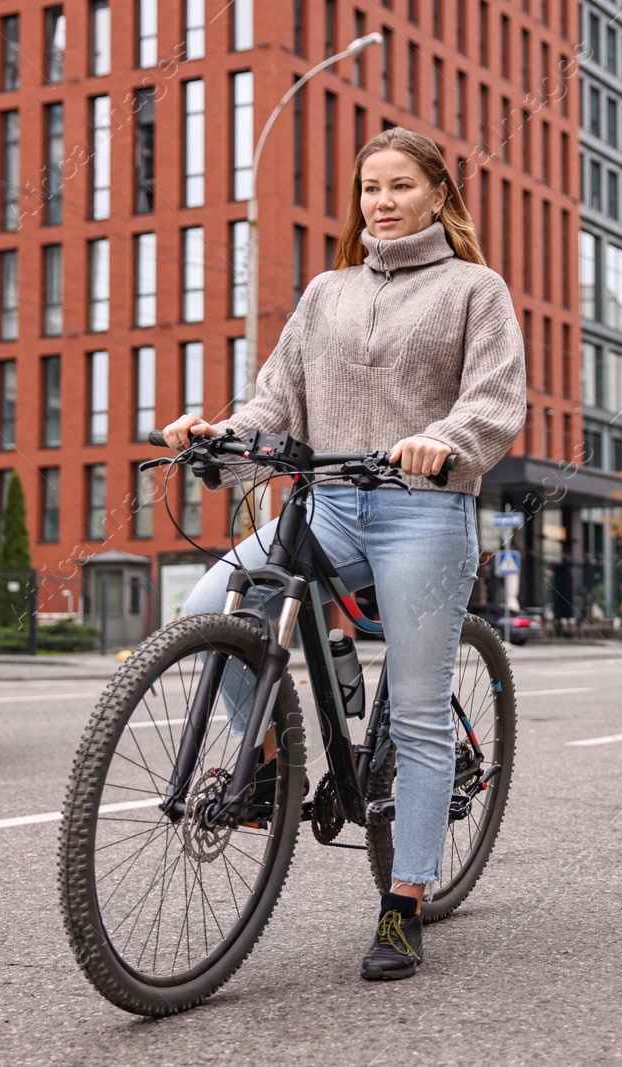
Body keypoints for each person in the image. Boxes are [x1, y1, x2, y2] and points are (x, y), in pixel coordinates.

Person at [161, 128, 526, 981]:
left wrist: (442, 440)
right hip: (324, 505)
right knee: (212, 602)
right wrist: (221, 433)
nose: (382, 202)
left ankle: (404, 903)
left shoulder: (475, 289)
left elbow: (496, 400)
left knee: (424, 711)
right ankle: (268, 761)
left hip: (422, 511)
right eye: (370, 188)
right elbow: (275, 402)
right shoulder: (325, 292)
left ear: (437, 195)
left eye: (400, 186)